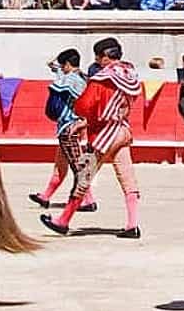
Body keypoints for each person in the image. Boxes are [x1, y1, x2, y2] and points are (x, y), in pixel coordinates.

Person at [40, 37, 142, 238]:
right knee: (127, 178)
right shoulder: (131, 73)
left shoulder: (102, 79)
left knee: (83, 175)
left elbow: (84, 106)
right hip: (122, 129)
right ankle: (132, 225)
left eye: (97, 57)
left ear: (104, 57)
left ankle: (63, 221)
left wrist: (83, 120)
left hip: (104, 135)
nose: (96, 61)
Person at [28, 49, 96, 213]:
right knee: (61, 166)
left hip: (69, 128)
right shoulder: (82, 77)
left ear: (67, 64)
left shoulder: (70, 79)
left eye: (63, 64)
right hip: (69, 128)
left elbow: (82, 99)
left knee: (78, 166)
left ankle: (88, 200)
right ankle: (45, 197)